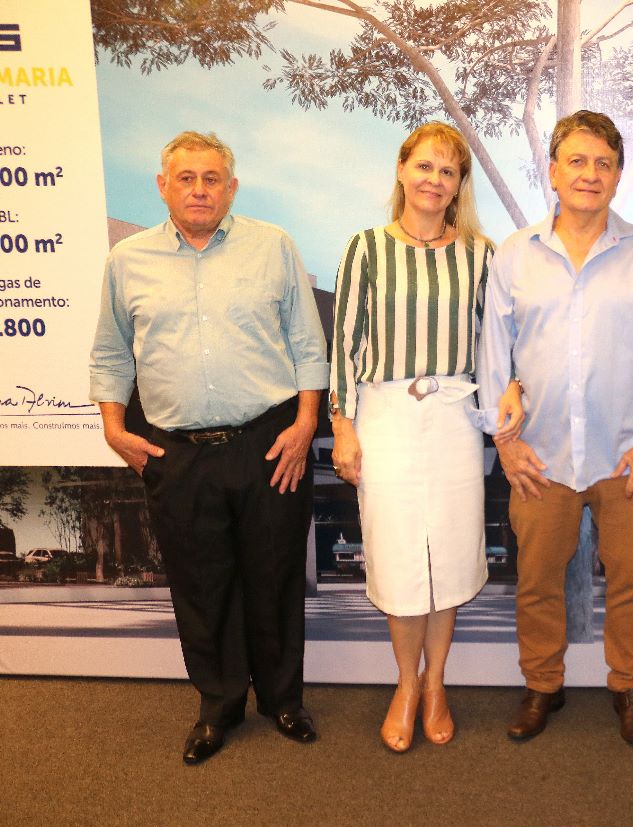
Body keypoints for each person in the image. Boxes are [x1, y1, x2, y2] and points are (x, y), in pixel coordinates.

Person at [89, 131, 328, 765]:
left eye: (212, 178)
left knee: (274, 576)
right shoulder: (127, 260)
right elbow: (111, 354)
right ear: (163, 186)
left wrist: (306, 423)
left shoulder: (273, 247)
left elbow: (309, 345)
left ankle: (283, 699)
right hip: (176, 454)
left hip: (269, 444)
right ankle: (218, 706)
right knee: (201, 584)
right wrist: (114, 428)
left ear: (232, 187)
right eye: (187, 178)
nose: (200, 190)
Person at [477, 110, 633, 748]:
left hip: (627, 455)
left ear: (618, 176)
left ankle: (631, 687)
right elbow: (494, 355)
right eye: (576, 161)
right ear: (552, 171)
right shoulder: (515, 254)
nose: (589, 174)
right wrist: (506, 445)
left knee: (632, 581)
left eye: (603, 163)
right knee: (537, 581)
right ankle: (543, 684)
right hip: (540, 456)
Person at [330, 123, 521, 752]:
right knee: (399, 555)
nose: (434, 180)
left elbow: (498, 344)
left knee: (451, 554)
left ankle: (436, 683)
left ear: (459, 184)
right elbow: (345, 346)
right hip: (384, 415)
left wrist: (511, 390)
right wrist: (343, 426)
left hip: (454, 417)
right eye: (424, 166)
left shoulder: (481, 254)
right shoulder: (365, 248)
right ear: (402, 169)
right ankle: (405, 684)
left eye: (447, 171)